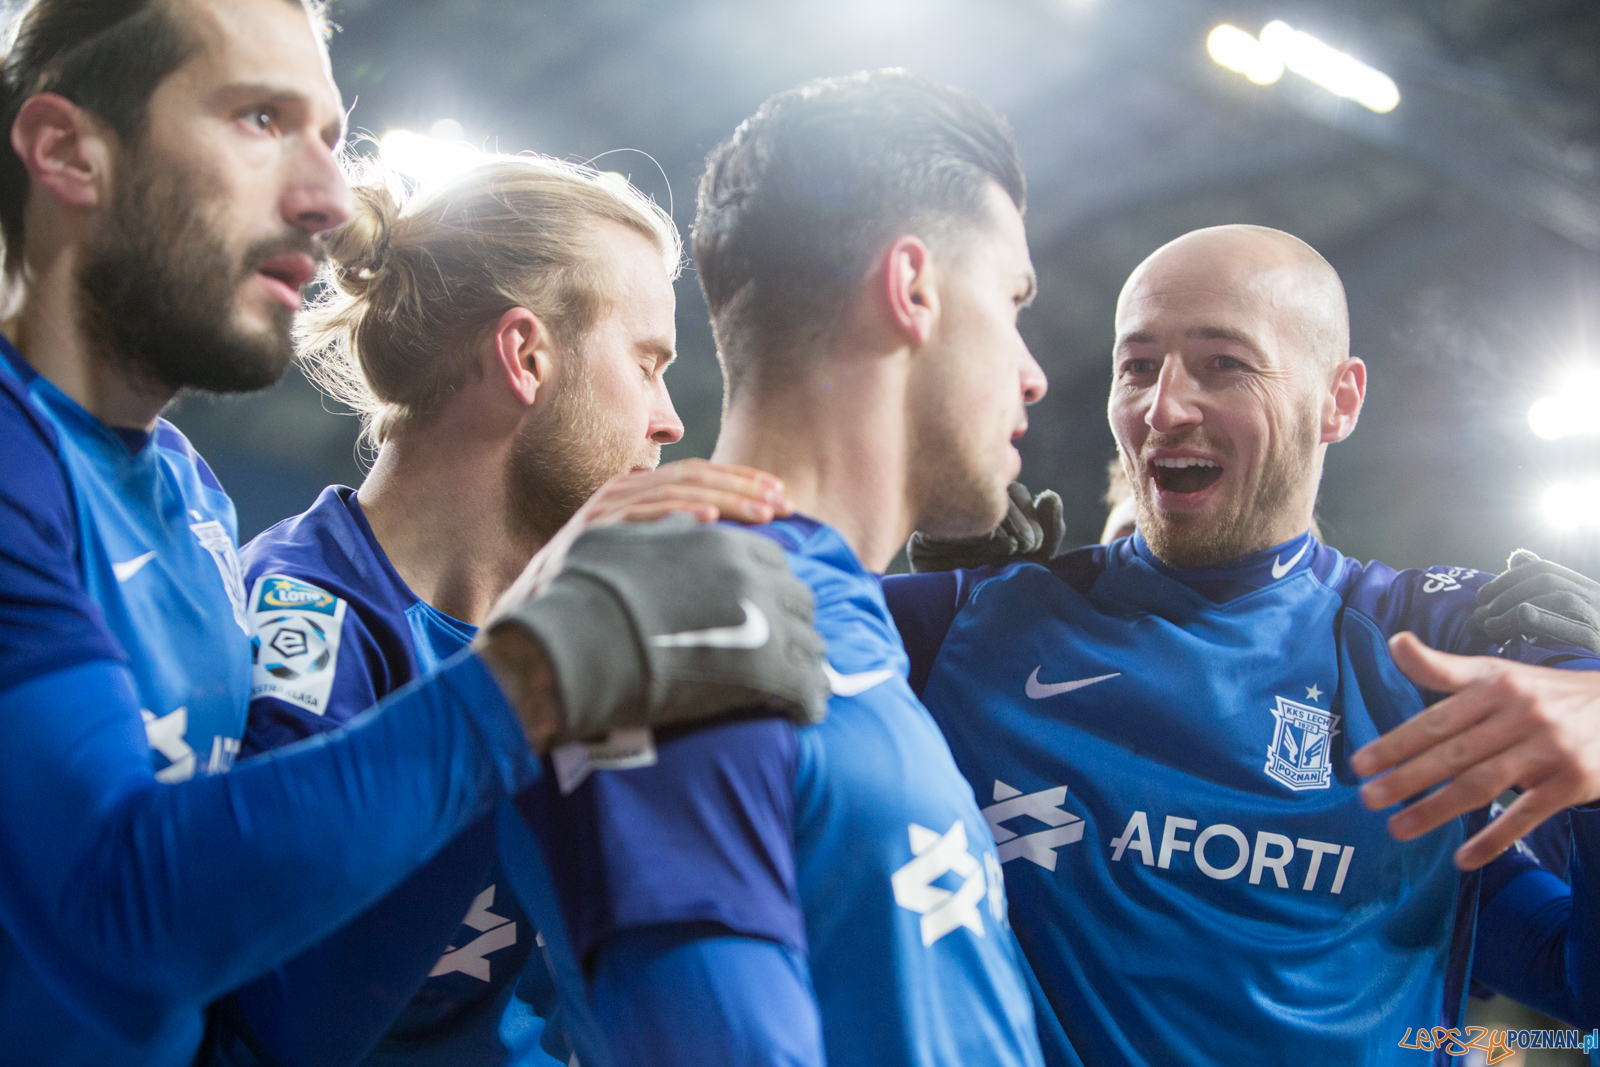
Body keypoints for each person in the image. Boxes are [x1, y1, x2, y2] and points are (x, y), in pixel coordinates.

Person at [0, 1, 826, 1062]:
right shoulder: (277, 597)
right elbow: (132, 922)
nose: (324, 200)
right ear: (67, 150)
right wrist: (532, 677)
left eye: (329, 138)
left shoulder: (185, 491)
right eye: (259, 119)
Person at [884, 223, 1600, 1065]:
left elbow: (1575, 987)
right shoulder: (978, 625)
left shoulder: (1440, 639)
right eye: (1136, 366)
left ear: (1339, 400)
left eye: (1224, 362)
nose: (1164, 407)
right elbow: (762, 597)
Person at [514, 70, 1077, 1067]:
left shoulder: (835, 617)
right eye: (1012, 300)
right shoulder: (686, 618)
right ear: (913, 288)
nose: (1032, 373)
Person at [218, 154, 796, 1067]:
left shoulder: (588, 627)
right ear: (526, 356)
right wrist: (519, 702)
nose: (670, 420)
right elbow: (286, 1022)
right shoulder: (303, 622)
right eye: (647, 363)